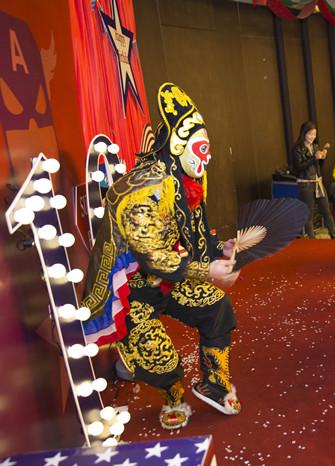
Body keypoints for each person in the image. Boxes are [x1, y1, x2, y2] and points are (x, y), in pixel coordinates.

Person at [82, 83, 242, 430]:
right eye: (201, 149)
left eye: (207, 149)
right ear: (178, 146)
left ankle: (215, 383)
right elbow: (154, 257)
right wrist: (208, 269)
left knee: (217, 308)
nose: (207, 158)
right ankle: (173, 397)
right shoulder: (146, 189)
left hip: (175, 280)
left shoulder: (191, 176)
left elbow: (197, 231)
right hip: (134, 292)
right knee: (159, 356)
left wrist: (219, 249)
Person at [292, 121, 335, 239]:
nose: (312, 137)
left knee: (326, 211)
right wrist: (314, 158)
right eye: (310, 134)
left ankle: (334, 236)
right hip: (305, 184)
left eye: (314, 134)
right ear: (304, 133)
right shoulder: (297, 148)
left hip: (318, 182)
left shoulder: (315, 146)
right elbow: (299, 167)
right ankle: (312, 240)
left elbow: (318, 167)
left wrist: (322, 158)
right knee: (309, 215)